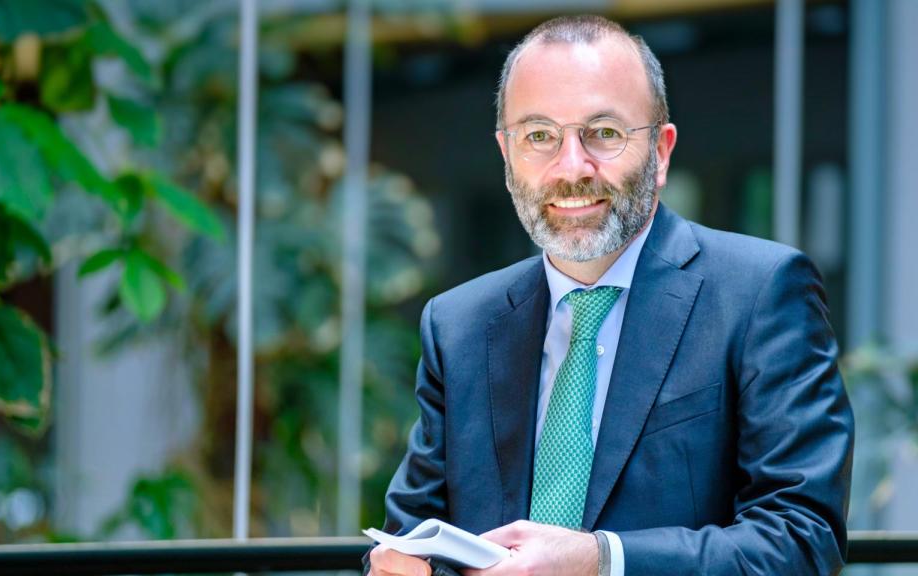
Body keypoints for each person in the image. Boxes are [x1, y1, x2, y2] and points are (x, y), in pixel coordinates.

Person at [366, 13, 855, 576]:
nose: (571, 168)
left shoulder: (760, 293)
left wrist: (603, 561)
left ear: (662, 151)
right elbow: (411, 535)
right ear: (506, 155)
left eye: (603, 133)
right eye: (539, 136)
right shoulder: (458, 325)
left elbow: (801, 538)